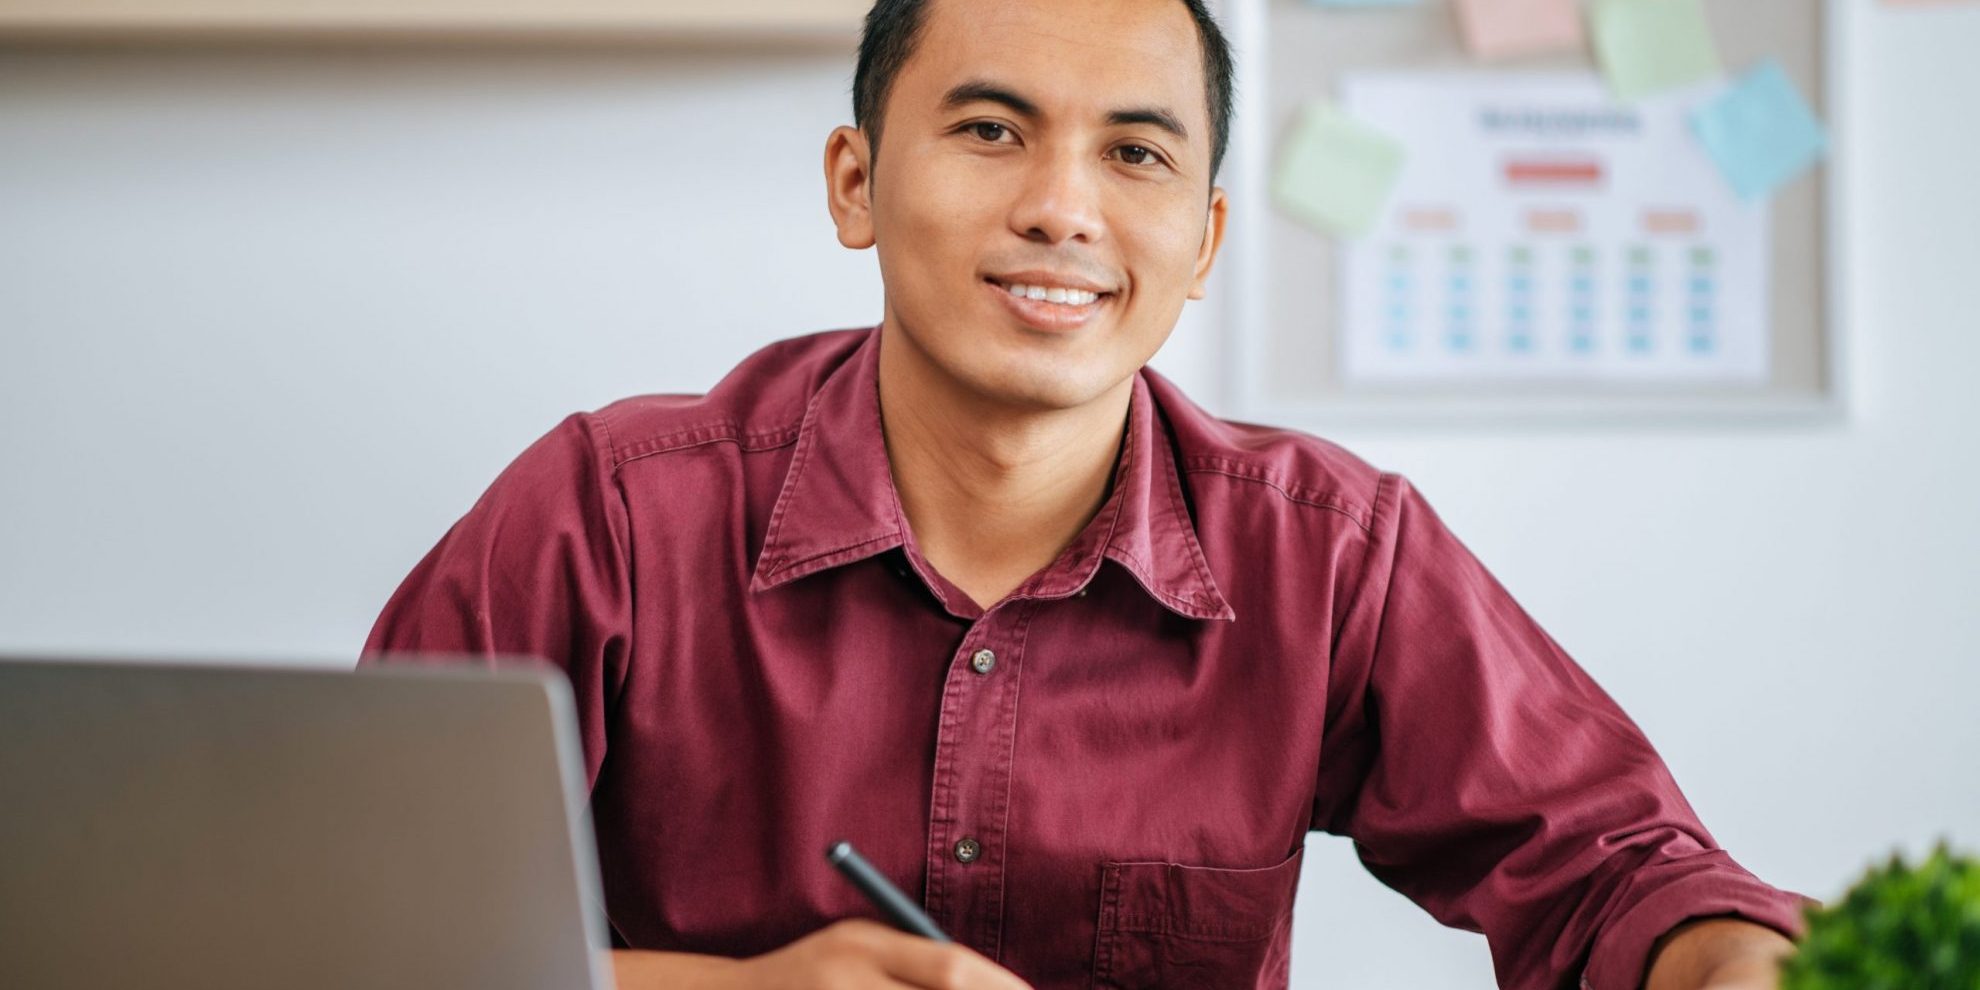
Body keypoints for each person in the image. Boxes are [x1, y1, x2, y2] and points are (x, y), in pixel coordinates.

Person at [361, 1, 1811, 987]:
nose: (1064, 205)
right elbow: (343, 927)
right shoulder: (604, 513)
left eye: (1135, 152)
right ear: (855, 182)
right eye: (991, 130)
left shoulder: (1333, 555)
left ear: (1203, 239)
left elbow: (1622, 876)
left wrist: (1729, 961)